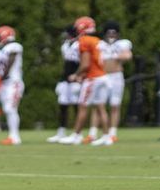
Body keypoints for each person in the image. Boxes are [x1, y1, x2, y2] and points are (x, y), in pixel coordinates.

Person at [68, 16, 108, 145]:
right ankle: (106, 137)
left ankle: (76, 135)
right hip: (103, 76)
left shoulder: (84, 40)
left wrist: (76, 75)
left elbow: (85, 64)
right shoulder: (97, 40)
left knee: (83, 107)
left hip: (93, 78)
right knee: (101, 107)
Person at [94, 21, 132, 145]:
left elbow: (127, 56)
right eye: (109, 32)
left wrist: (115, 56)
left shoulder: (122, 44)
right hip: (103, 76)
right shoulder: (99, 45)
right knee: (99, 106)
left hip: (116, 76)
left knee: (115, 105)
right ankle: (94, 133)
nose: (111, 35)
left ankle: (112, 133)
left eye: (113, 32)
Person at [48, 25, 81, 143]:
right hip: (65, 79)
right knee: (62, 105)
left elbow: (82, 62)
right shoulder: (65, 46)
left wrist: (78, 75)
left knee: (76, 106)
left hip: (75, 79)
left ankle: (78, 132)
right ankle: (61, 131)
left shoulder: (79, 45)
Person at [0, 26, 25, 146]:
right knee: (8, 109)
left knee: (10, 109)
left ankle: (15, 136)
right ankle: (12, 135)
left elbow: (11, 61)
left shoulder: (13, 46)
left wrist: (2, 76)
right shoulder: (3, 49)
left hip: (14, 82)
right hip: (6, 83)